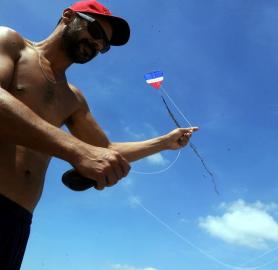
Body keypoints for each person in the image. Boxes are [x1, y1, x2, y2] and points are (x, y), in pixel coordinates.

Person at [0, 0, 198, 269]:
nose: (97, 45)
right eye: (95, 31)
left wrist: (164, 142)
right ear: (68, 16)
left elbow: (103, 148)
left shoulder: (74, 99)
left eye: (104, 44)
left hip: (18, 221)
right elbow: (85, 151)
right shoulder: (11, 43)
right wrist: (76, 150)